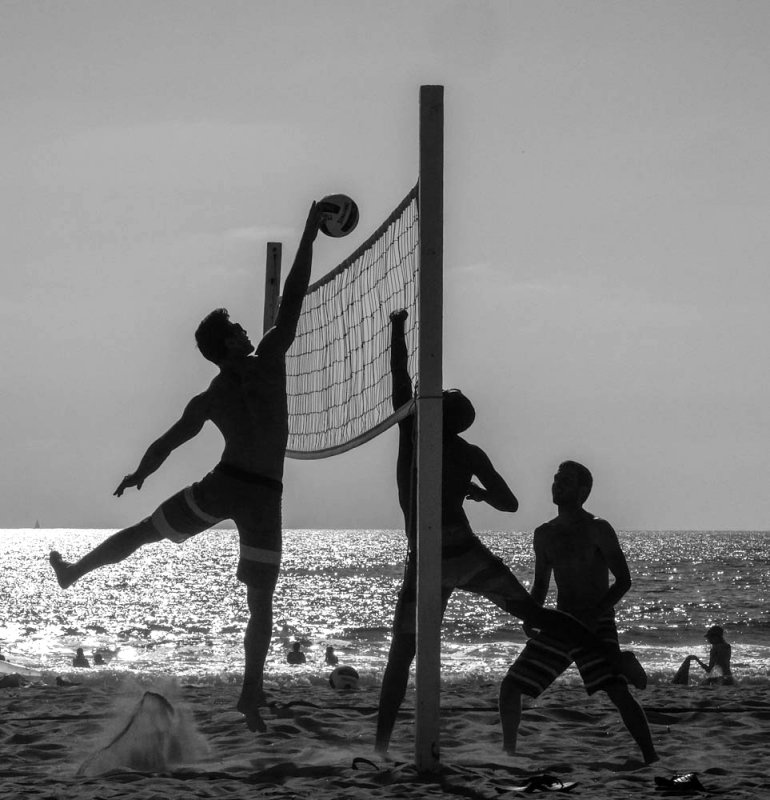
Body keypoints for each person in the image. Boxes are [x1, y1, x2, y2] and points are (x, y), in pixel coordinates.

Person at [49, 201, 328, 733]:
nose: (249, 329)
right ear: (228, 343)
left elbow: (167, 442)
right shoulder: (268, 358)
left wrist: (140, 474)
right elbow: (293, 298)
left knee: (147, 533)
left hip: (227, 486)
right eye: (238, 327)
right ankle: (250, 695)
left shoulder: (213, 393)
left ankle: (75, 572)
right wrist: (310, 235)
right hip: (262, 493)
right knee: (258, 602)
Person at [374, 313, 647, 754]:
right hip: (462, 550)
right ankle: (615, 658)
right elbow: (509, 503)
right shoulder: (468, 452)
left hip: (428, 554)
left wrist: (397, 328)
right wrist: (475, 490)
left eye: (438, 398)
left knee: (402, 654)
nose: (431, 399)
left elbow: (400, 379)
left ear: (439, 410)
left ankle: (382, 748)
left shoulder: (414, 430)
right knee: (532, 614)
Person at [499, 461, 658, 764]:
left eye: (566, 481)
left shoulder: (598, 528)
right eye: (556, 479)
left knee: (617, 692)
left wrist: (595, 613)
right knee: (511, 687)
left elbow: (623, 580)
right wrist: (531, 617)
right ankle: (509, 755)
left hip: (596, 621)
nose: (557, 485)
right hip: (561, 623)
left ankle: (651, 757)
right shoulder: (544, 533)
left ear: (583, 490)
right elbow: (541, 584)